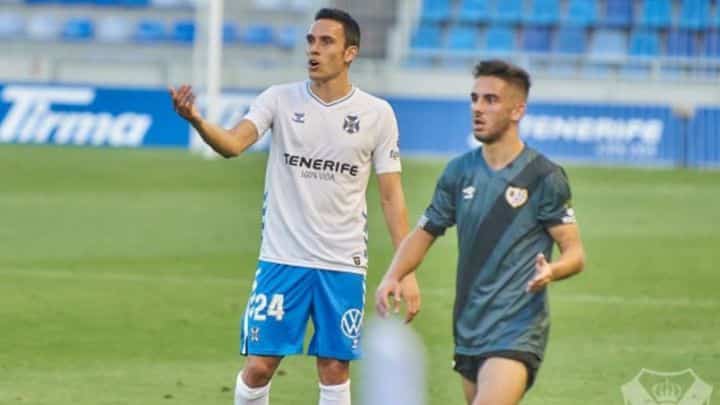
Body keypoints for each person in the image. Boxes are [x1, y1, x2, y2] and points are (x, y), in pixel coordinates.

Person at [169, 8, 420, 405]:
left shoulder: (377, 114)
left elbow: (391, 196)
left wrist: (405, 271)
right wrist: (197, 121)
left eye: (326, 42)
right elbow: (234, 144)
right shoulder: (279, 99)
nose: (314, 50)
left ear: (350, 52)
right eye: (310, 41)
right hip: (282, 258)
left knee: (335, 369)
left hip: (342, 262)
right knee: (259, 367)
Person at [375, 59, 586, 405]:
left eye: (490, 100)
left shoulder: (544, 177)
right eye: (474, 98)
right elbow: (425, 231)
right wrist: (394, 275)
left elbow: (575, 253)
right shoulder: (459, 173)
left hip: (518, 328)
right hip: (469, 325)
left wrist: (553, 270)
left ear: (517, 110)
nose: (477, 108)